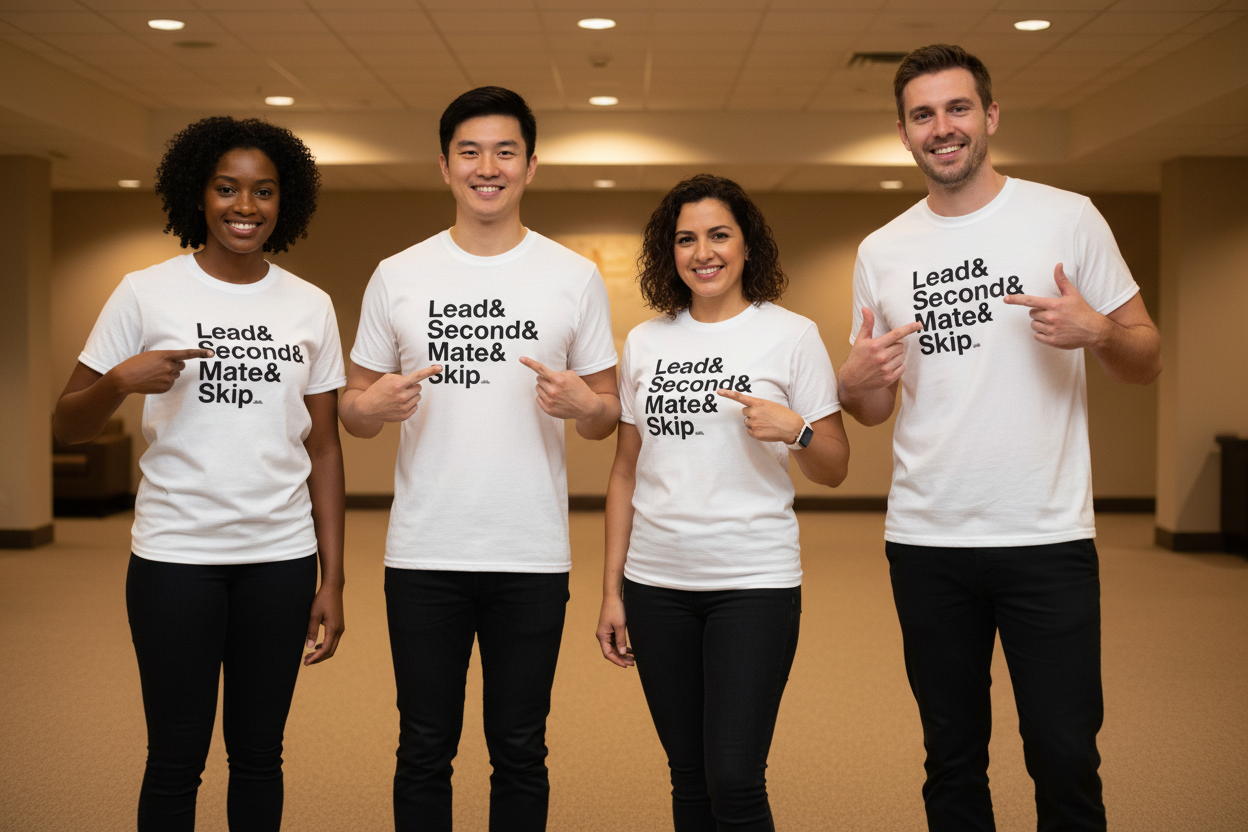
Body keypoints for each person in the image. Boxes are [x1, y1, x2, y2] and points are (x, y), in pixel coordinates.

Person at [838, 44, 1162, 831]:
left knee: (1063, 753)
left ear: (989, 116)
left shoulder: (1065, 216)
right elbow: (876, 409)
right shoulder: (882, 251)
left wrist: (1097, 331)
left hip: (1045, 535)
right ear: (904, 132)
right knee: (951, 758)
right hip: (926, 537)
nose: (941, 128)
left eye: (956, 109)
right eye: (922, 115)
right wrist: (852, 386)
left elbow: (1144, 357)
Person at [52, 116, 346, 831]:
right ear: (199, 194)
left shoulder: (310, 305)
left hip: (279, 558)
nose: (245, 207)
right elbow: (65, 423)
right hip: (175, 557)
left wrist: (333, 579)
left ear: (286, 203)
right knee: (176, 757)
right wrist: (119, 381)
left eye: (264, 191)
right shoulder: (145, 292)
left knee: (258, 756)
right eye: (227, 188)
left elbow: (327, 449)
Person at [339, 86, 620, 831]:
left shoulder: (572, 275)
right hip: (424, 552)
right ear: (444, 166)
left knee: (521, 749)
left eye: (505, 151)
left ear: (531, 166)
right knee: (424, 748)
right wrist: (369, 408)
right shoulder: (399, 274)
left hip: (530, 554)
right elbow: (353, 409)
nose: (486, 167)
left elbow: (607, 414)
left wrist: (585, 408)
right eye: (469, 151)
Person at [597, 174, 851, 831]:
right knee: (688, 780)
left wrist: (795, 429)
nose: (702, 252)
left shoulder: (791, 335)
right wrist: (611, 591)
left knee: (735, 778)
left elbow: (834, 466)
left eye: (718, 235)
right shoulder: (647, 343)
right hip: (657, 584)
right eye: (685, 239)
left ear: (746, 246)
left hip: (753, 583)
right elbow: (625, 472)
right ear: (668, 253)